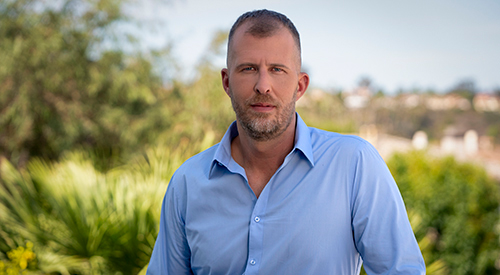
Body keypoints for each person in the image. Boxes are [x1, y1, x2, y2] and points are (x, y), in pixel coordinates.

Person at [147, 9, 426, 275]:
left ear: (300, 85)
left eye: (278, 70)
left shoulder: (354, 165)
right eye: (248, 68)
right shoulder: (187, 183)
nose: (263, 86)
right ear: (227, 82)